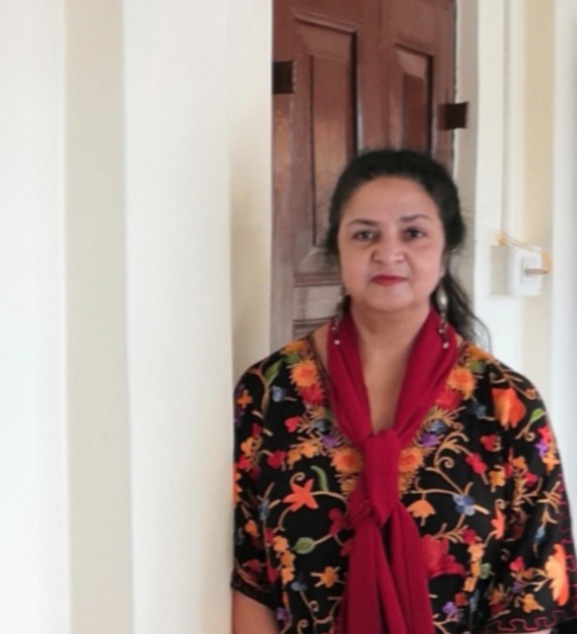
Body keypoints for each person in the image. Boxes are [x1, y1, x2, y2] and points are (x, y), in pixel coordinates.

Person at [231, 148, 577, 634]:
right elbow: (248, 576)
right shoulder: (268, 392)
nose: (388, 252)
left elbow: (535, 590)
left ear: (445, 248)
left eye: (413, 233)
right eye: (365, 234)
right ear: (337, 248)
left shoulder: (506, 404)